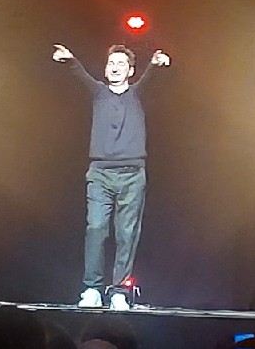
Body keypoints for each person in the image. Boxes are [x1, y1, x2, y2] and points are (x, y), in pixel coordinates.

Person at [52, 43, 170, 311]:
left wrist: (156, 64)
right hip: (100, 173)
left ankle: (119, 291)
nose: (115, 68)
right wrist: (70, 59)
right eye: (111, 63)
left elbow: (151, 79)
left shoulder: (137, 93)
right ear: (105, 70)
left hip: (132, 174)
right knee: (96, 228)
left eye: (120, 64)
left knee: (126, 234)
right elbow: (80, 75)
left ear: (130, 71)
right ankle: (92, 289)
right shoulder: (99, 93)